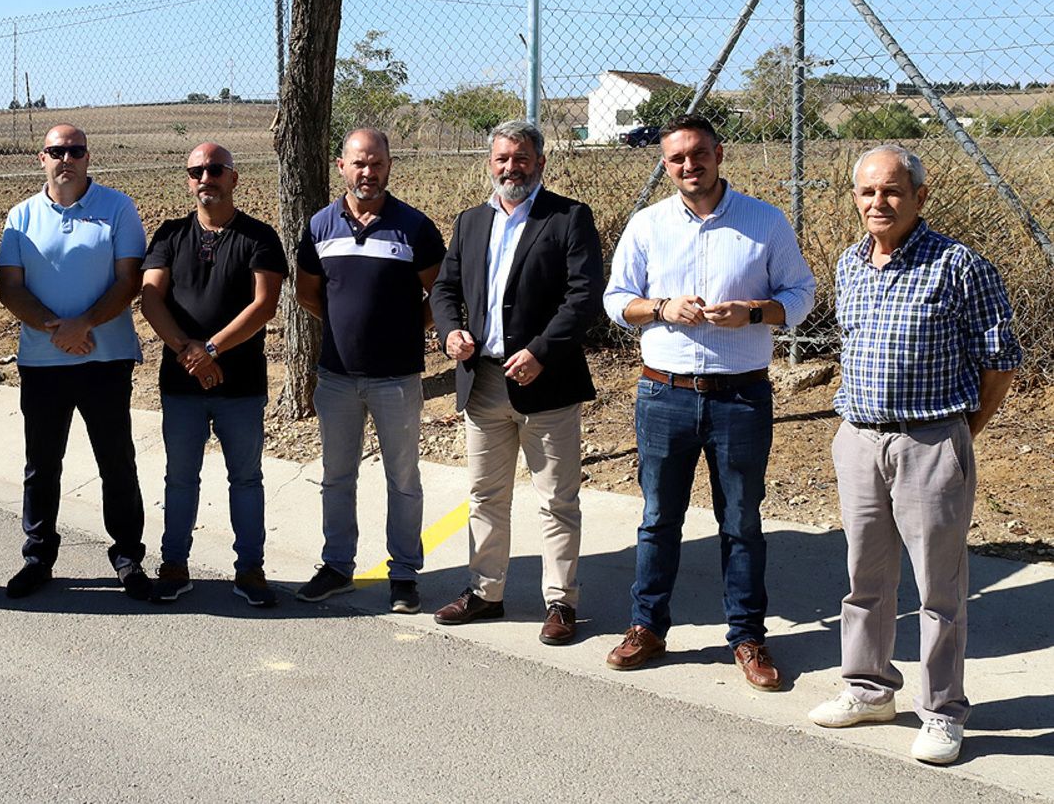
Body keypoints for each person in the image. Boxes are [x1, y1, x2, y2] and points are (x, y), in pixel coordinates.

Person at [807, 145, 1019, 765]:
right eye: (868, 192)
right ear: (855, 198)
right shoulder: (850, 263)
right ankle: (867, 688)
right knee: (863, 579)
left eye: (893, 191)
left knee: (940, 589)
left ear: (919, 197)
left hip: (931, 440)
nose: (879, 202)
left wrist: (959, 435)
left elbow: (999, 363)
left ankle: (943, 711)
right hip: (860, 437)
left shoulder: (959, 266)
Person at [601, 113, 815, 689]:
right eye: (677, 158)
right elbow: (616, 298)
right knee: (657, 519)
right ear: (664, 163)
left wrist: (752, 312)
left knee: (742, 521)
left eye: (699, 154)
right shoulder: (647, 225)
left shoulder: (764, 221)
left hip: (740, 395)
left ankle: (747, 636)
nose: (689, 166)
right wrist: (662, 307)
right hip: (664, 392)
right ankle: (647, 626)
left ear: (720, 155)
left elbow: (801, 293)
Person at [429, 120, 604, 644]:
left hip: (546, 383)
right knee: (485, 495)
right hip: (483, 382)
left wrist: (541, 352)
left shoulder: (569, 217)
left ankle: (561, 603)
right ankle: (485, 592)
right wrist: (450, 332)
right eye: (503, 158)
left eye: (522, 159)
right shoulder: (470, 221)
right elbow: (445, 287)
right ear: (491, 162)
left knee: (556, 500)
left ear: (540, 164)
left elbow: (584, 296)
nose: (511, 168)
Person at [293, 128, 446, 614]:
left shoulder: (415, 228)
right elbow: (307, 295)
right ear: (342, 166)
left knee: (403, 477)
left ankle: (403, 574)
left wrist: (406, 329)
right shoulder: (319, 226)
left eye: (376, 163)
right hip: (337, 377)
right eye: (359, 163)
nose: (367, 172)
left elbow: (439, 296)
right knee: (337, 476)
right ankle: (338, 565)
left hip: (396, 378)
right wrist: (343, 328)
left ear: (389, 166)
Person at [0, 124, 151, 600]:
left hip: (106, 359)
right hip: (43, 363)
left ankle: (128, 558)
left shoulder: (117, 208)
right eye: (57, 151)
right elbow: (10, 288)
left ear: (88, 158)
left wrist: (83, 324)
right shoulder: (20, 217)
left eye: (76, 151)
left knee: (116, 461)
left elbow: (129, 280)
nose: (67, 158)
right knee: (42, 464)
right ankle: (38, 557)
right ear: (41, 158)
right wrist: (57, 330)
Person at [139, 143, 287, 608]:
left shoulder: (259, 237)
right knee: (180, 478)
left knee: (246, 479)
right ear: (188, 180)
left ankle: (250, 570)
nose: (207, 177)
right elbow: (150, 299)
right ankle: (174, 565)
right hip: (181, 382)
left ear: (233, 178)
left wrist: (212, 349)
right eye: (197, 171)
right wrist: (188, 350)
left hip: (240, 384)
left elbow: (264, 305)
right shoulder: (169, 234)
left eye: (216, 169)